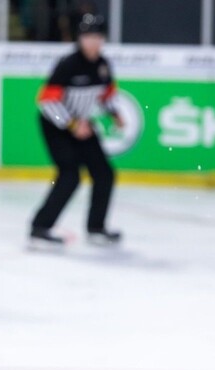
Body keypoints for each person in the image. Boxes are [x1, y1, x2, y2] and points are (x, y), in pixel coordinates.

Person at [29, 13, 123, 247]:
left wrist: (114, 114)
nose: (93, 42)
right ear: (80, 39)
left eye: (97, 37)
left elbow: (107, 94)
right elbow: (46, 101)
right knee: (70, 176)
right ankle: (40, 228)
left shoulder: (102, 66)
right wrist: (71, 124)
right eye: (88, 37)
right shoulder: (68, 64)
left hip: (82, 124)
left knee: (105, 173)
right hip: (56, 125)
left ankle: (96, 228)